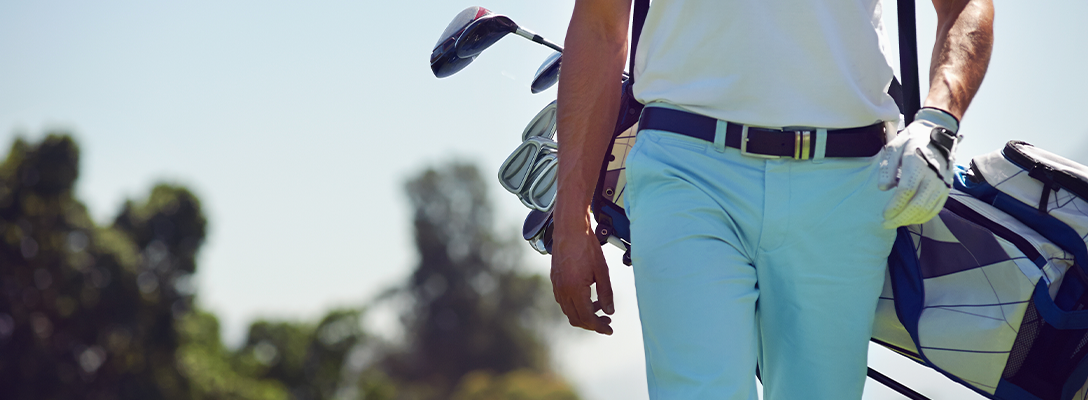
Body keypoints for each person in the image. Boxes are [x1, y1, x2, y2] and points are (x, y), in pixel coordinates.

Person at [550, 0, 993, 399]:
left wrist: (939, 120)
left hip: (846, 182)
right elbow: (600, 25)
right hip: (685, 171)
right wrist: (571, 217)